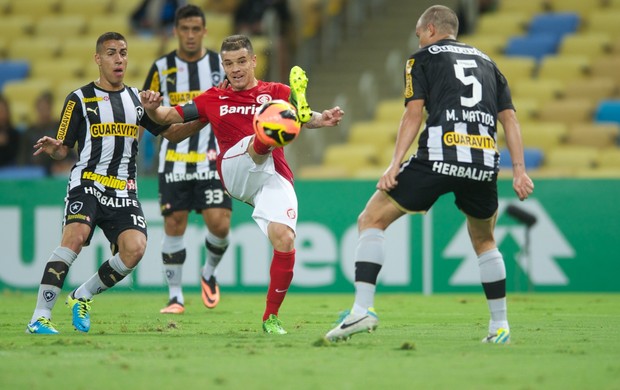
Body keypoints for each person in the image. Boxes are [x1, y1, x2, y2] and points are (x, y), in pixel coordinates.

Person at [324, 5, 534, 344]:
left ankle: (362, 309)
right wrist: (519, 171)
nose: (419, 39)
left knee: (371, 218)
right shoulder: (489, 63)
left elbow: (413, 113)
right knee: (485, 240)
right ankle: (500, 328)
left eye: (420, 33)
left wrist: (394, 163)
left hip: (439, 153)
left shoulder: (421, 58)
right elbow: (509, 118)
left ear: (432, 29)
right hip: (482, 160)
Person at [140, 34, 344, 334]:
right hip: (234, 168)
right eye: (228, 63)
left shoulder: (274, 91)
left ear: (253, 61)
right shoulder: (213, 97)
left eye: (240, 62)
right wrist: (151, 108)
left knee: (285, 239)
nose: (234, 69)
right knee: (265, 128)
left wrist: (320, 118)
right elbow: (169, 117)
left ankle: (270, 318)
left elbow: (304, 118)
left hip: (272, 176)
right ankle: (265, 135)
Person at [26, 32, 204, 334]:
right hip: (89, 182)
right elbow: (63, 146)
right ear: (98, 59)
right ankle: (39, 317)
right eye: (111, 53)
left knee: (135, 249)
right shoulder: (79, 99)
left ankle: (82, 296)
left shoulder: (137, 100)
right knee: (76, 237)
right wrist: (53, 147)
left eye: (123, 52)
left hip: (123, 189)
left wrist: (206, 116)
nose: (119, 58)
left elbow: (171, 133)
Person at [142, 4, 233, 315]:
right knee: (174, 224)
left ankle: (209, 272)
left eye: (197, 29)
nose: (191, 35)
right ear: (176, 31)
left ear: (205, 31)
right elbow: (147, 111)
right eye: (185, 29)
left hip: (212, 158)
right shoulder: (161, 68)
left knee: (220, 225)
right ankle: (175, 296)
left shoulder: (220, 67)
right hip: (174, 159)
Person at [0, 94, 21, 167]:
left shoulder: (14, 133)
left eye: (2, 110)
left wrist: (4, 144)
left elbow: (16, 156)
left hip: (10, 172)